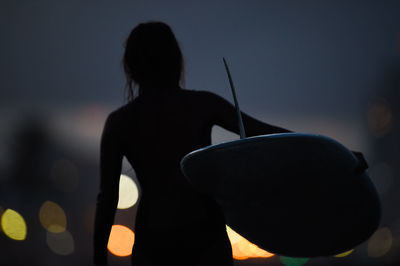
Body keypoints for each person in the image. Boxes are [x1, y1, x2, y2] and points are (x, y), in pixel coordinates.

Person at [93, 21, 290, 266]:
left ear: (131, 67)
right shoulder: (202, 105)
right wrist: (333, 154)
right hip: (206, 242)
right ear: (176, 62)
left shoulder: (119, 123)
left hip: (153, 245)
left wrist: (99, 261)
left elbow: (107, 200)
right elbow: (264, 134)